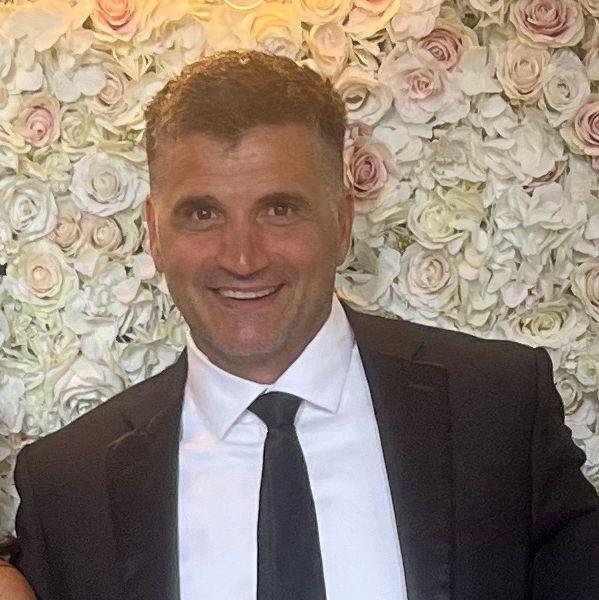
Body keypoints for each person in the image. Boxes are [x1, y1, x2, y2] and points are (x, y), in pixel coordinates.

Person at [14, 50, 599, 600]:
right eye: (202, 213)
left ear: (342, 224)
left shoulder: (497, 409)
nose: (242, 258)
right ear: (155, 234)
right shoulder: (69, 485)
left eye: (279, 209)